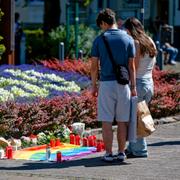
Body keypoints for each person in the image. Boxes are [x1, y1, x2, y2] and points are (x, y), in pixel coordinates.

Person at [91, 9, 137, 162]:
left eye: (101, 26)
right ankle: (121, 152)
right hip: (124, 85)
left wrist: (94, 86)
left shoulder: (99, 40)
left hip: (106, 84)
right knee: (123, 121)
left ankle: (109, 153)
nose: (101, 29)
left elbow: (93, 66)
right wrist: (134, 87)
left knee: (107, 121)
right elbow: (132, 67)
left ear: (104, 23)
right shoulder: (128, 39)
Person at [123, 17, 157, 158]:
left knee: (136, 119)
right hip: (149, 82)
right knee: (138, 117)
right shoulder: (150, 41)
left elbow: (134, 67)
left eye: (126, 30)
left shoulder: (136, 43)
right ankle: (132, 148)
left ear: (130, 29)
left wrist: (131, 85)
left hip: (138, 83)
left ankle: (140, 150)